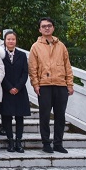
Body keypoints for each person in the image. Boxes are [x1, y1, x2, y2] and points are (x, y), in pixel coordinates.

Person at [29, 17, 74, 154]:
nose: (47, 28)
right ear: (40, 29)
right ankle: (46, 143)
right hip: (44, 85)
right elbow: (32, 68)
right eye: (44, 26)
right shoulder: (35, 47)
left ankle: (58, 143)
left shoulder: (61, 46)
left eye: (49, 25)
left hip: (60, 84)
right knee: (44, 115)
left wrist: (70, 84)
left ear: (53, 27)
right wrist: (35, 84)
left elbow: (67, 66)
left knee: (60, 115)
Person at [1, 31, 31, 153]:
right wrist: (9, 87)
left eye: (13, 39)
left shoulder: (22, 55)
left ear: (16, 41)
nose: (11, 41)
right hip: (6, 90)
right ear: (5, 41)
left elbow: (25, 73)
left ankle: (18, 141)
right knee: (7, 116)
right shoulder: (1, 55)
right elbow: (0, 72)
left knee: (19, 117)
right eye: (8, 39)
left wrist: (18, 87)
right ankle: (10, 141)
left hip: (20, 90)